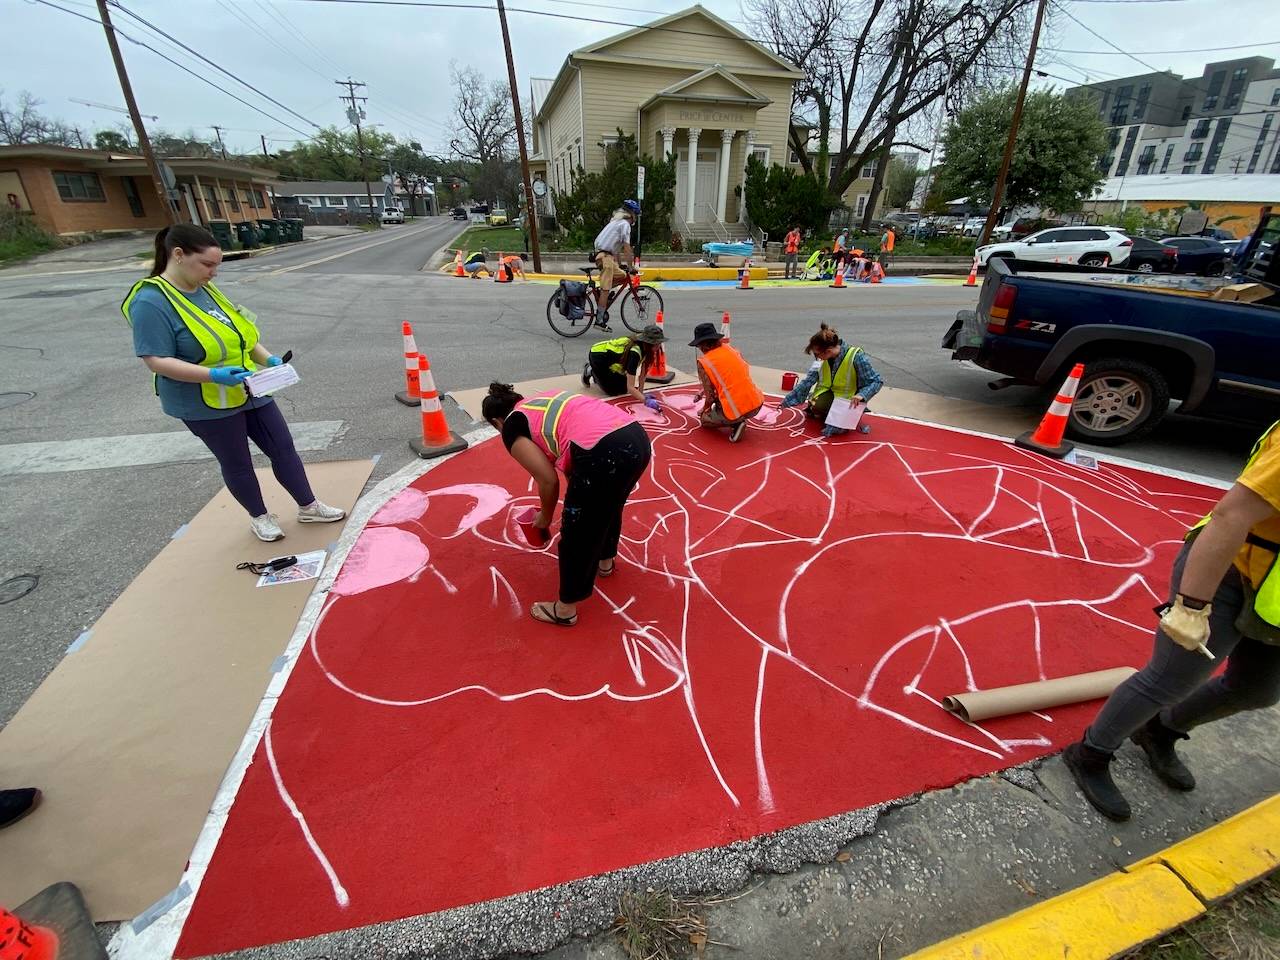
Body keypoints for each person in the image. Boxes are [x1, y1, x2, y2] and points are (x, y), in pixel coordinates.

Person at [1064, 420, 1280, 822]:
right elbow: (1231, 516)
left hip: (1275, 595)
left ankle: (1160, 730)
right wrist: (1191, 606)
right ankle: (1091, 752)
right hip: (1229, 571)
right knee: (1170, 678)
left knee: (1257, 691)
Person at [124, 224, 347, 543]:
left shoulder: (205, 288)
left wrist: (268, 360)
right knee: (237, 460)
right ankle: (260, 517)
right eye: (208, 265)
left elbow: (241, 336)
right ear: (178, 255)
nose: (214, 273)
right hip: (204, 400)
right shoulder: (151, 301)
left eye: (217, 265)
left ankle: (308, 505)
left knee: (282, 448)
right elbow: (156, 360)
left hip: (250, 388)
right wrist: (212, 375)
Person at [482, 383, 653, 626]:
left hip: (602, 449)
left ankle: (565, 610)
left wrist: (545, 516)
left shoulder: (511, 426)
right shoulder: (542, 400)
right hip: (635, 438)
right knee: (608, 504)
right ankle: (605, 562)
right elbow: (569, 446)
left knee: (577, 532)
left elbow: (547, 480)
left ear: (497, 422)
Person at [779, 323, 883, 437]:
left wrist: (862, 395)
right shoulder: (821, 360)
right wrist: (788, 400)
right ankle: (829, 412)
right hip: (829, 393)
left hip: (849, 399)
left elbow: (876, 381)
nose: (817, 357)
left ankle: (848, 416)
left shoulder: (856, 356)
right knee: (816, 406)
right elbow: (808, 381)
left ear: (828, 351)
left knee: (837, 428)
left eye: (817, 354)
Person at [688, 322, 764, 443]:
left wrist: (704, 410)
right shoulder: (730, 349)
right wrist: (703, 390)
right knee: (726, 396)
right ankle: (738, 418)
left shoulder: (704, 362)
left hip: (736, 409)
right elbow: (729, 378)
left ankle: (737, 423)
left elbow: (710, 398)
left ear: (703, 345)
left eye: (699, 346)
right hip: (756, 403)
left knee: (704, 420)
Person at [582, 325, 666, 405]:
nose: (659, 346)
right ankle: (590, 370)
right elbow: (631, 388)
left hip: (610, 359)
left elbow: (643, 374)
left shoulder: (646, 349)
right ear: (649, 343)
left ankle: (601, 377)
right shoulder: (635, 353)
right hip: (598, 356)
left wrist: (641, 393)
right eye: (657, 344)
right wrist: (645, 401)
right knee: (612, 391)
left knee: (622, 389)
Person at [592, 200, 641, 321]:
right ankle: (599, 320)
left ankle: (602, 296)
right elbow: (627, 248)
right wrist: (630, 266)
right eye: (636, 215)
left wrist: (620, 265)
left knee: (623, 275)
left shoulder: (617, 222)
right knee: (606, 288)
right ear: (632, 214)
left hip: (605, 257)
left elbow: (616, 250)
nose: (636, 218)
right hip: (605, 258)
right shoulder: (624, 224)